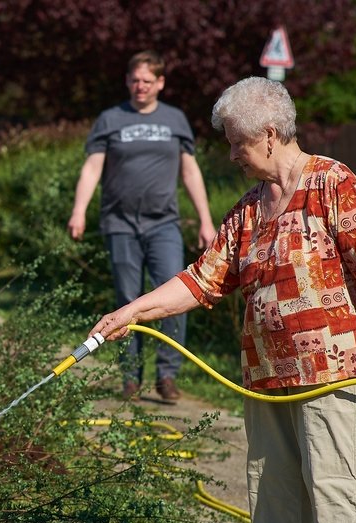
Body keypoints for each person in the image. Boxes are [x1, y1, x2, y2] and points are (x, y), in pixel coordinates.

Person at [89, 77, 356, 523]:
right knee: (277, 483)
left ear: (268, 134)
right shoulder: (248, 209)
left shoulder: (333, 182)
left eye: (237, 141)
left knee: (332, 479)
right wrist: (134, 311)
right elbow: (201, 279)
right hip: (265, 374)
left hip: (333, 372)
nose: (232, 153)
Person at [68, 50, 215, 402]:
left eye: (148, 81)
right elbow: (92, 168)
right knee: (127, 301)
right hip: (119, 224)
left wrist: (206, 220)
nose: (140, 86)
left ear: (160, 83)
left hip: (163, 224)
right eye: (135, 80)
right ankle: (130, 377)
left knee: (177, 295)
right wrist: (78, 210)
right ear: (127, 81)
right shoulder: (110, 119)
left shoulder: (175, 120)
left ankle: (167, 376)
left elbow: (190, 171)